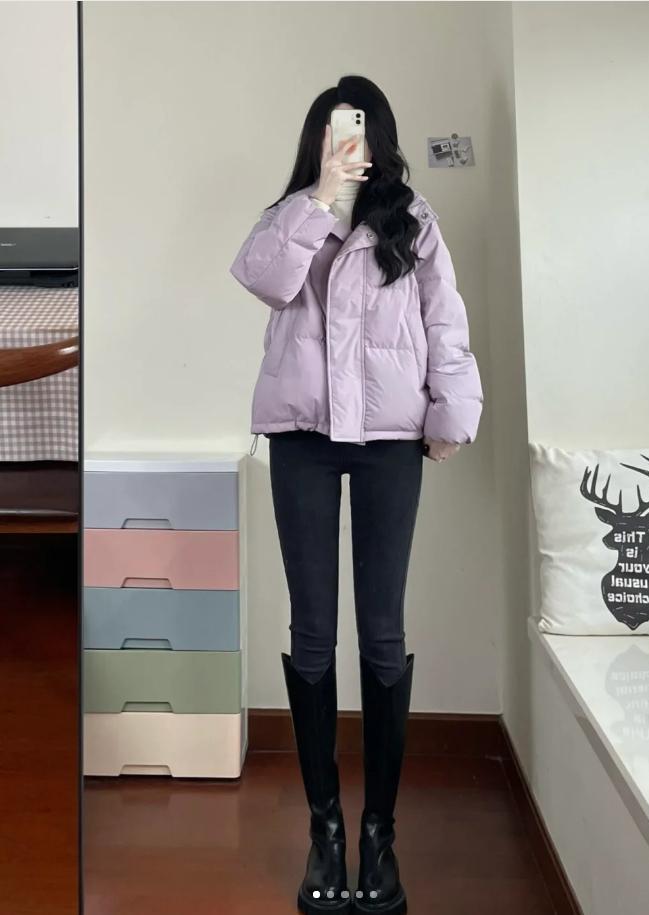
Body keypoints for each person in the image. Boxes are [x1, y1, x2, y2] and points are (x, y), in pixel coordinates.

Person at [230, 75, 483, 915]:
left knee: (381, 635)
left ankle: (378, 834)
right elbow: (264, 280)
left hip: (388, 442)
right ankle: (324, 831)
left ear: (382, 138)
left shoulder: (412, 221)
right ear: (317, 140)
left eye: (360, 129)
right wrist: (319, 198)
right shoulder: (289, 217)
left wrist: (451, 412)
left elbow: (445, 322)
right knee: (310, 634)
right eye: (335, 130)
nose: (349, 143)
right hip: (302, 437)